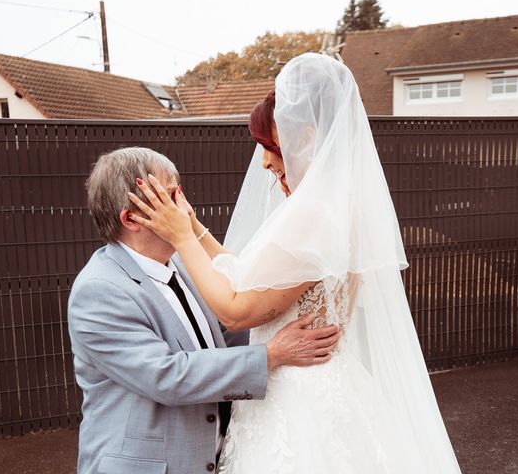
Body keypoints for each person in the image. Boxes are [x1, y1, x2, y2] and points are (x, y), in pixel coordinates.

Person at [127, 54, 462, 473]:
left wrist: (178, 237)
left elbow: (235, 310)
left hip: (299, 396)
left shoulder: (314, 215)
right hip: (327, 383)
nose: (265, 162)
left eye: (270, 147)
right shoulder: (340, 207)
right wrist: (194, 229)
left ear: (303, 137)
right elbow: (259, 278)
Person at [67, 146, 341, 474]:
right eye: (170, 196)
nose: (183, 209)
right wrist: (271, 354)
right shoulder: (99, 290)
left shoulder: (183, 264)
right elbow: (167, 376)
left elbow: (233, 327)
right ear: (131, 218)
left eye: (180, 192)